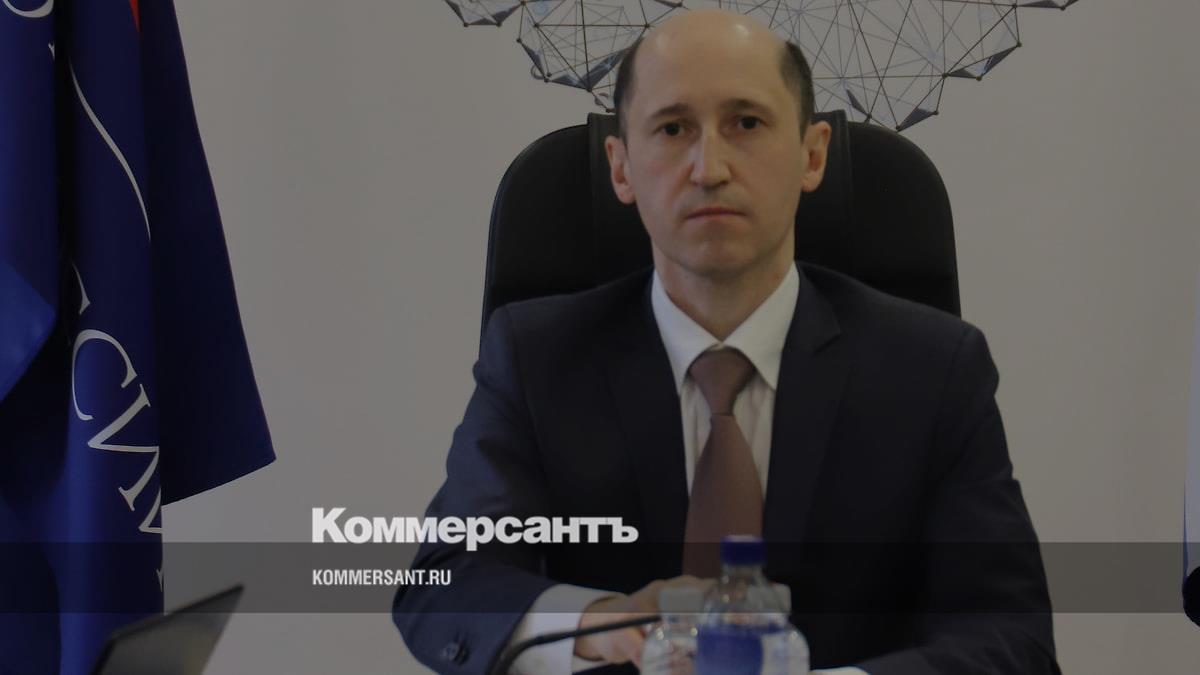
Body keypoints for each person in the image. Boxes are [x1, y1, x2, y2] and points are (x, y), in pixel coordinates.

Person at [394, 9, 1058, 674]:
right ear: (620, 168)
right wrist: (602, 625)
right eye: (673, 128)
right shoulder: (537, 358)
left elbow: (1012, 638)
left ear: (813, 154)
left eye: (746, 123)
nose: (709, 168)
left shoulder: (933, 370)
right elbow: (444, 585)